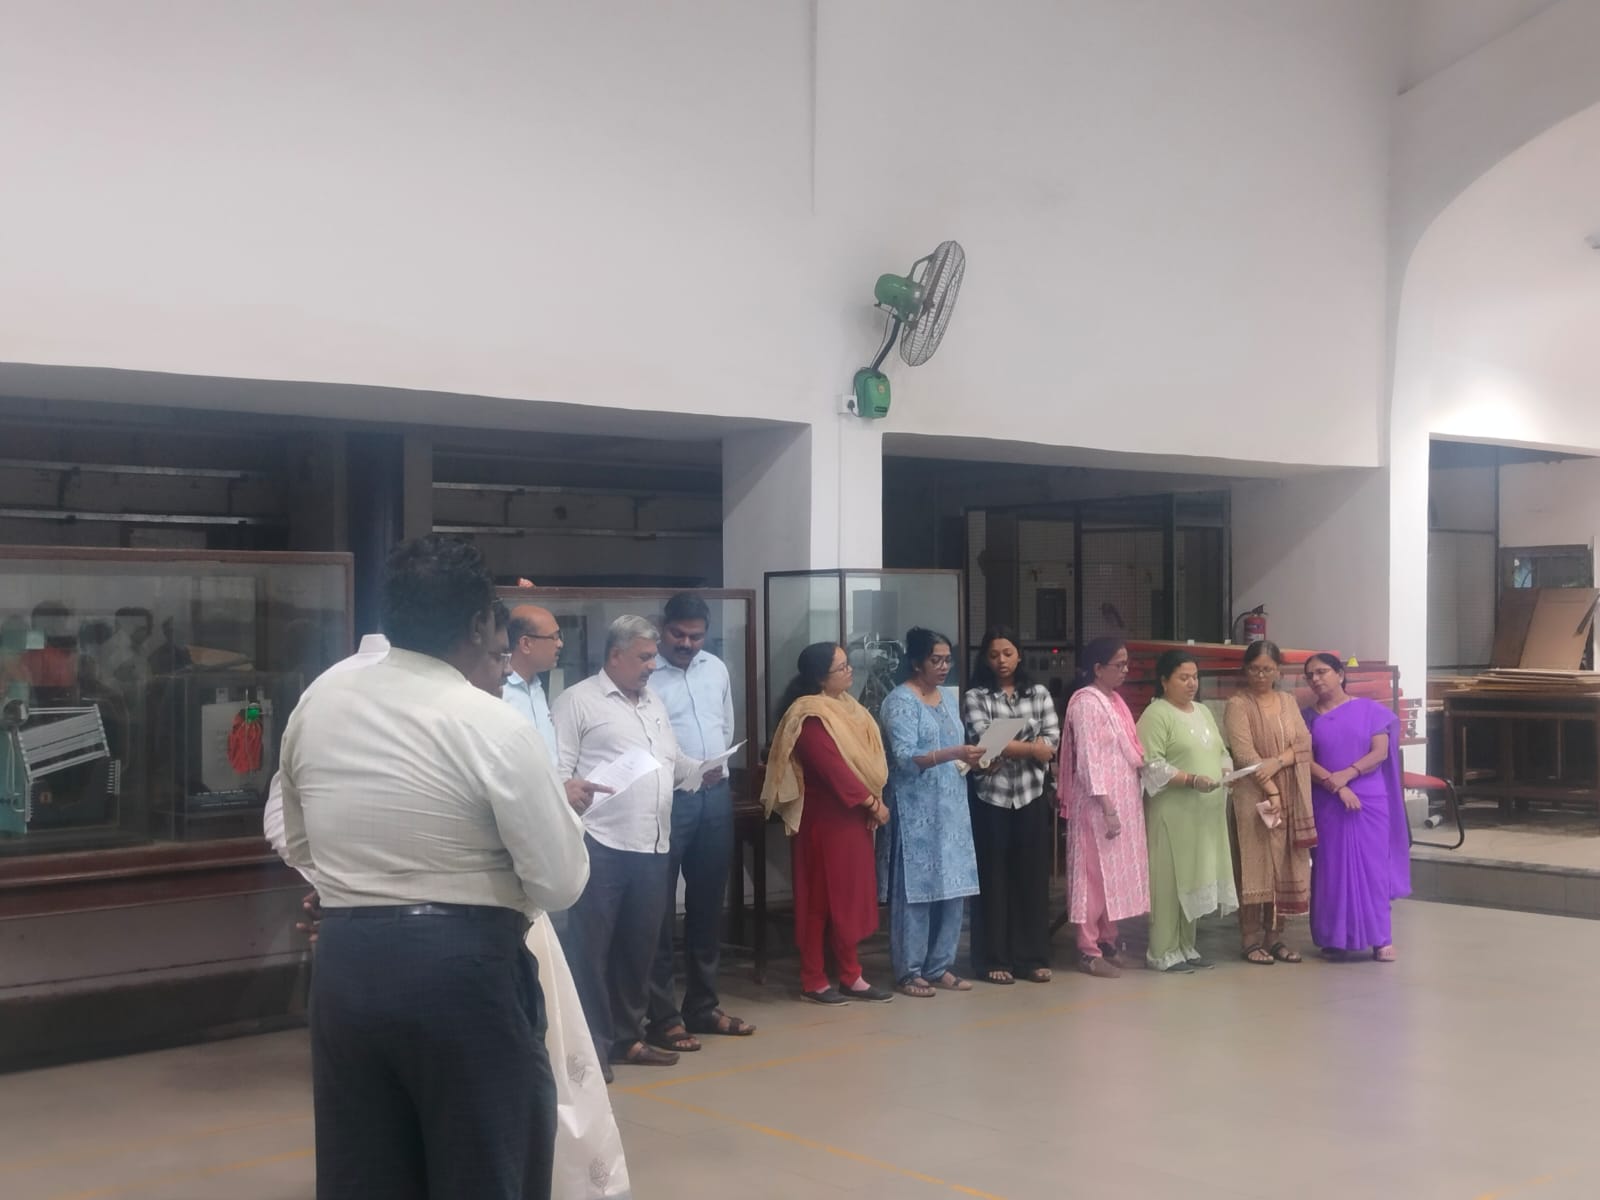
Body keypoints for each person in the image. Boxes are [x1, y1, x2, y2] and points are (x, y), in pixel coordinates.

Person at [279, 536, 588, 1200]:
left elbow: (298, 841)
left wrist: (359, 888)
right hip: (461, 971)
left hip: (345, 969)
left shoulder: (320, 704)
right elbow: (560, 881)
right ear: (479, 625)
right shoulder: (490, 724)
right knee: (483, 1169)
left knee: (364, 1172)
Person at [554, 615, 704, 1077]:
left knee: (638, 951)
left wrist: (699, 769)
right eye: (644, 657)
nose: (652, 666)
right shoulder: (577, 701)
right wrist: (566, 791)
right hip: (601, 842)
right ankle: (592, 1050)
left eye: (653, 657)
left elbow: (669, 759)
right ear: (615, 656)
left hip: (652, 844)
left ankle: (627, 1039)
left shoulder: (653, 702)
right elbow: (557, 770)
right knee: (592, 952)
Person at [646, 592, 754, 1052]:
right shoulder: (647, 672)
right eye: (678, 634)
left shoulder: (716, 669)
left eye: (696, 636)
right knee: (657, 911)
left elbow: (725, 725)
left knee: (709, 906)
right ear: (662, 627)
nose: (687, 644)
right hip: (666, 798)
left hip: (714, 797)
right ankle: (661, 1016)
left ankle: (703, 1006)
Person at [762, 642, 893, 1005]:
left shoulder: (849, 708)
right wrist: (873, 803)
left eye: (848, 664)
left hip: (853, 817)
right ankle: (814, 979)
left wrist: (871, 801)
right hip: (825, 820)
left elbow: (865, 762)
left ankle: (851, 975)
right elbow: (833, 769)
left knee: (848, 896)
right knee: (819, 899)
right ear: (821, 677)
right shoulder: (808, 716)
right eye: (842, 667)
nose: (850, 671)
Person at [878, 627, 984, 998]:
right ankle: (909, 970)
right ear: (916, 662)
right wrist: (955, 752)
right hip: (915, 811)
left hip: (951, 807)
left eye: (947, 660)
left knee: (952, 889)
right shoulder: (900, 701)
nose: (943, 667)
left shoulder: (947, 698)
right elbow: (906, 757)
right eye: (935, 660)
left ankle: (940, 965)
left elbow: (956, 748)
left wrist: (973, 758)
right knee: (916, 892)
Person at [962, 627, 1059, 985]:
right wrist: (1030, 747)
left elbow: (1051, 741)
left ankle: (1031, 958)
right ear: (984, 659)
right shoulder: (976, 696)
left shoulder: (1039, 693)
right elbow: (984, 741)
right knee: (993, 879)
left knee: (1031, 879)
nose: (1001, 661)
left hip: (1031, 796)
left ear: (1019, 655)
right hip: (991, 798)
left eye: (1007, 653)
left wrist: (1010, 745)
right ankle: (992, 959)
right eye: (993, 655)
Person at [1302, 653, 1411, 963]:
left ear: (1340, 674)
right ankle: (1335, 938)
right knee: (1331, 868)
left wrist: (1348, 775)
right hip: (1327, 798)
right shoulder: (1306, 717)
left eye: (1322, 672)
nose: (1315, 679)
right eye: (1310, 675)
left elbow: (1379, 752)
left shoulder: (1369, 710)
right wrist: (1335, 785)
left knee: (1373, 867)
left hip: (1368, 798)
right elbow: (1305, 760)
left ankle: (1381, 938)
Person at [1137, 649, 1238, 973]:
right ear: (1164, 680)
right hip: (1173, 812)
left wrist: (1226, 771)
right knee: (1169, 881)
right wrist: (1191, 780)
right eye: (1183, 677)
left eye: (1195, 677)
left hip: (1204, 812)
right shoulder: (1156, 714)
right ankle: (1162, 951)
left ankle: (1185, 946)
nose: (1191, 683)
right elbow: (1151, 764)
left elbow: (1220, 751)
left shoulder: (1203, 712)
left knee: (1195, 875)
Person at [1057, 637, 1149, 979]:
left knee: (1113, 876)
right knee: (1092, 878)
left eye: (1126, 664)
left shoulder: (1114, 701)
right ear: (1097, 669)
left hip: (1121, 801)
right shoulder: (1086, 703)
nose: (1125, 671)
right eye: (1118, 665)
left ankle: (1108, 941)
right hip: (1097, 805)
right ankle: (1088, 949)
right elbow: (1090, 761)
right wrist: (1107, 806)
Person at [1223, 639, 1315, 966]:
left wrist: (1277, 762)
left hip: (1290, 792)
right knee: (1255, 864)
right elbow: (1244, 755)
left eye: (1267, 669)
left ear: (1278, 671)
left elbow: (1304, 743)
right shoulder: (1237, 705)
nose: (1260, 675)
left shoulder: (1288, 701)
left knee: (1284, 863)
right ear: (1245, 670)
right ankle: (1249, 939)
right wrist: (1271, 788)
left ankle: (1274, 938)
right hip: (1252, 796)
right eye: (1254, 669)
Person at [504, 604, 563, 758]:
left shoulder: (537, 687)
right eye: (554, 637)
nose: (560, 644)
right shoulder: (498, 689)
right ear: (526, 644)